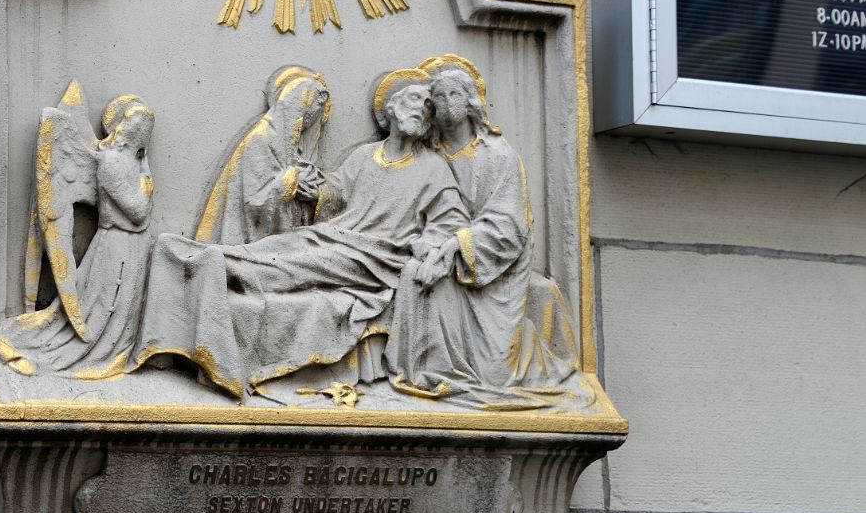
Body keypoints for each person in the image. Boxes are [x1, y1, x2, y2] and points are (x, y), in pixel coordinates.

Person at [131, 69, 467, 398]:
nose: (422, 107)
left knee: (293, 265)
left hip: (373, 261)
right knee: (281, 248)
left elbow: (450, 220)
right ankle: (196, 259)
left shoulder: (433, 168)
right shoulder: (365, 157)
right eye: (413, 98)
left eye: (427, 104)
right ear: (390, 109)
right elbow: (335, 193)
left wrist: (434, 246)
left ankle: (212, 265)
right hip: (333, 238)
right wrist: (308, 186)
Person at [387, 55, 592, 409]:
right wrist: (428, 244)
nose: (446, 102)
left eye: (454, 94)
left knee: (495, 372)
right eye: (438, 95)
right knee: (415, 277)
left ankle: (506, 359)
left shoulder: (498, 155)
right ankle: (420, 370)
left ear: (470, 101)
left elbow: (508, 228)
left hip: (489, 271)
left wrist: (454, 247)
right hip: (436, 252)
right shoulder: (427, 155)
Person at [0, 93, 156, 379]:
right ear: (125, 127)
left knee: (124, 313)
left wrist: (144, 169)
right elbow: (139, 211)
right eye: (140, 125)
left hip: (135, 246)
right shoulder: (111, 163)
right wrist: (146, 184)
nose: (145, 132)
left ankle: (117, 350)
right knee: (100, 308)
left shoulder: (133, 161)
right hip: (116, 246)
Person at [194, 65, 329, 244]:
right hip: (254, 240)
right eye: (312, 108)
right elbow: (253, 204)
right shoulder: (261, 140)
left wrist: (315, 193)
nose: (312, 119)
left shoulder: (295, 149)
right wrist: (287, 184)